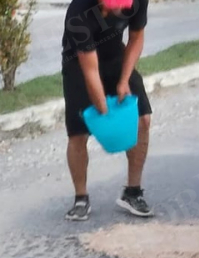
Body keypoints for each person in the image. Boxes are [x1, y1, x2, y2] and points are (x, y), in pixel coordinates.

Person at [61, 0, 154, 221]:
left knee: (142, 119)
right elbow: (90, 69)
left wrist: (124, 80)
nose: (123, 11)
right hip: (78, 63)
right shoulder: (79, 13)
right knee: (78, 132)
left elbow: (136, 37)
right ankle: (81, 198)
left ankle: (132, 192)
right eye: (117, 7)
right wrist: (105, 112)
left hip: (116, 57)